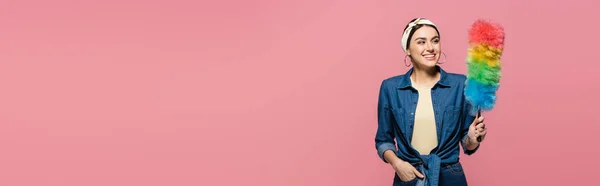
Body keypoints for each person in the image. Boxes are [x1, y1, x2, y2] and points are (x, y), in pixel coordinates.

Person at [374, 18, 487, 186]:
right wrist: (397, 164)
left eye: (435, 41)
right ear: (407, 50)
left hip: (450, 178)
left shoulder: (460, 85)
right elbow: (383, 140)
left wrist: (472, 138)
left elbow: (468, 144)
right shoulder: (390, 88)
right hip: (408, 177)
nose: (430, 48)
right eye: (421, 42)